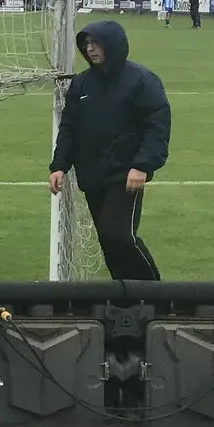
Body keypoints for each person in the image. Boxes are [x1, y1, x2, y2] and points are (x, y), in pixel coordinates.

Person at [49, 20, 170, 281]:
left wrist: (143, 165)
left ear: (112, 45)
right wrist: (59, 166)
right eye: (86, 44)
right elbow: (69, 127)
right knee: (108, 241)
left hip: (125, 174)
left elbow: (156, 126)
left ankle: (154, 291)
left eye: (96, 43)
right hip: (92, 175)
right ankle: (124, 293)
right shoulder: (81, 84)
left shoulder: (142, 80)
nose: (90, 49)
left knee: (118, 234)